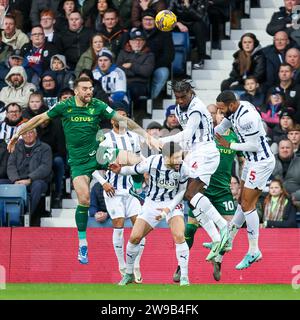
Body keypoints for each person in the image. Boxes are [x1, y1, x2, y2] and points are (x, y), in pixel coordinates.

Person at [7, 76, 160, 265]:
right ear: (77, 91)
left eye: (91, 88)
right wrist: (18, 133)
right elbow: (39, 118)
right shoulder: (65, 106)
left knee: (136, 159)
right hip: (79, 162)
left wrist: (146, 136)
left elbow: (122, 120)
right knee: (85, 198)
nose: (89, 92)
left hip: (99, 153)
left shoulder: (97, 105)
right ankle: (82, 243)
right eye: (85, 89)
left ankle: (137, 190)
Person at [159, 80, 230, 262]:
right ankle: (217, 239)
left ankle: (224, 228)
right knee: (191, 201)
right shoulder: (178, 108)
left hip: (206, 152)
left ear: (191, 93)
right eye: (177, 97)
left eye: (183, 97)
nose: (180, 100)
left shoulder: (197, 108)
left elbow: (187, 134)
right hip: (194, 153)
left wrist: (164, 140)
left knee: (190, 194)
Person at [173, 105, 244, 282]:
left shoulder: (234, 137)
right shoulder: (202, 137)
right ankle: (181, 267)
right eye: (211, 114)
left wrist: (242, 186)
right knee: (190, 227)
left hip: (223, 190)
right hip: (202, 188)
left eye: (217, 113)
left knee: (230, 230)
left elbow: (242, 161)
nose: (214, 117)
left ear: (222, 116)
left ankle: (218, 260)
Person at [112, 142, 191, 286]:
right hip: (152, 203)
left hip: (173, 203)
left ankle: (184, 277)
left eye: (181, 157)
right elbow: (134, 169)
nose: (180, 160)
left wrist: (168, 209)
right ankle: (129, 274)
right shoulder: (152, 162)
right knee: (134, 237)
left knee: (179, 235)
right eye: (176, 158)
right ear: (166, 158)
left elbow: (181, 191)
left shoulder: (183, 168)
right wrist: (120, 171)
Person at [215, 90, 275, 269]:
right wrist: (208, 136)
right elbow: (221, 127)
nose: (220, 112)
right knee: (241, 201)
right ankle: (227, 241)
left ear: (231, 105)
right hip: (251, 162)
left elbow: (254, 145)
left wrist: (230, 145)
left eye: (222, 109)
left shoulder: (246, 117)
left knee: (248, 204)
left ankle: (254, 250)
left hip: (261, 162)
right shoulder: (234, 112)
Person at [93, 106, 145, 282]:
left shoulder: (134, 138)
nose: (122, 119)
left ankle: (136, 265)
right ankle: (122, 266)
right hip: (113, 190)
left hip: (131, 190)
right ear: (112, 120)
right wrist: (104, 182)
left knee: (140, 228)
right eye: (119, 116)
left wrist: (144, 175)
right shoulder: (105, 139)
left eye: (125, 116)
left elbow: (140, 161)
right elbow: (91, 165)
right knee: (119, 225)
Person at [6, 128, 52, 226]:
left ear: (36, 134)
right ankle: (6, 217)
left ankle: (26, 214)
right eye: (25, 133)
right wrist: (15, 180)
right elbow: (10, 165)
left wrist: (30, 179)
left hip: (36, 180)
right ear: (21, 135)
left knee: (38, 186)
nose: (28, 135)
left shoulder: (45, 148)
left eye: (31, 132)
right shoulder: (16, 146)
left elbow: (45, 168)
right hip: (17, 181)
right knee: (1, 183)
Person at [116, 28, 155, 119]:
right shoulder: (123, 53)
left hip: (140, 84)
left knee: (132, 90)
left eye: (140, 40)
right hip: (123, 82)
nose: (137, 43)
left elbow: (146, 71)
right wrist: (137, 70)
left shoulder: (149, 55)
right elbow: (118, 70)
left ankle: (129, 115)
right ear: (130, 42)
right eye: (134, 40)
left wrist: (131, 66)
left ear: (144, 42)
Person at [141, 9, 175, 100]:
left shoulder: (165, 34)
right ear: (142, 21)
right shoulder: (136, 33)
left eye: (151, 19)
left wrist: (152, 66)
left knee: (163, 73)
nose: (148, 22)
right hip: (140, 65)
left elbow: (169, 55)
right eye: (146, 19)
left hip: (158, 65)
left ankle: (151, 99)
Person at [168, 0, 210, 69]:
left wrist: (188, 6)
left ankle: (202, 58)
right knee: (166, 27)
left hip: (195, 24)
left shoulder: (199, 1)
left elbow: (199, 17)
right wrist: (178, 24)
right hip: (180, 24)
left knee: (199, 26)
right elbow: (167, 16)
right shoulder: (174, 1)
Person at [0, 102, 26, 182]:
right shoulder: (1, 126)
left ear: (21, 113)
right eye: (11, 112)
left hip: (20, 155)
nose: (14, 114)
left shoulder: (27, 125)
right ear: (7, 114)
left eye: (16, 111)